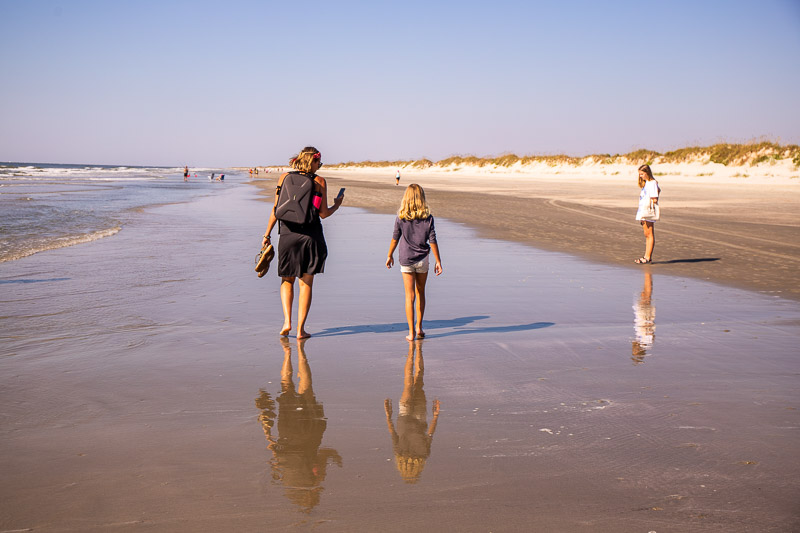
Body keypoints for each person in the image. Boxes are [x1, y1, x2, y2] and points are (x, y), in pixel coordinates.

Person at [262, 147, 344, 338]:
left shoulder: (283, 178)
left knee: (286, 279)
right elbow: (322, 213)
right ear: (313, 162)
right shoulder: (319, 181)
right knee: (306, 283)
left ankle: (286, 321)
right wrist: (337, 205)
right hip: (310, 236)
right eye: (319, 163)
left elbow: (276, 209)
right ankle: (300, 330)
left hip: (287, 235)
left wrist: (267, 234)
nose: (319, 166)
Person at [386, 184, 443, 341]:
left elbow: (395, 238)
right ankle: (419, 327)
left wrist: (389, 255)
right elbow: (433, 240)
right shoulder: (428, 218)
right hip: (422, 259)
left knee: (409, 296)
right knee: (421, 292)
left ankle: (411, 332)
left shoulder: (401, 217)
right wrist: (438, 261)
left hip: (406, 259)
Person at [384, 341, 440, 484]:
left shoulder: (422, 454)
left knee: (418, 379)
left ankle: (415, 351)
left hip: (419, 416)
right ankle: (412, 351)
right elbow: (392, 433)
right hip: (405, 416)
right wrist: (388, 416)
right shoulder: (401, 454)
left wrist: (435, 416)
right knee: (410, 382)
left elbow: (430, 434)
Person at [634, 164, 660, 264]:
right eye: (639, 174)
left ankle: (648, 257)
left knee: (649, 234)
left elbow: (654, 197)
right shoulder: (647, 183)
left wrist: (651, 203)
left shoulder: (652, 183)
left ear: (647, 173)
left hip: (647, 210)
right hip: (643, 211)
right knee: (646, 234)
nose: (640, 176)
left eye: (642, 174)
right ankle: (646, 256)